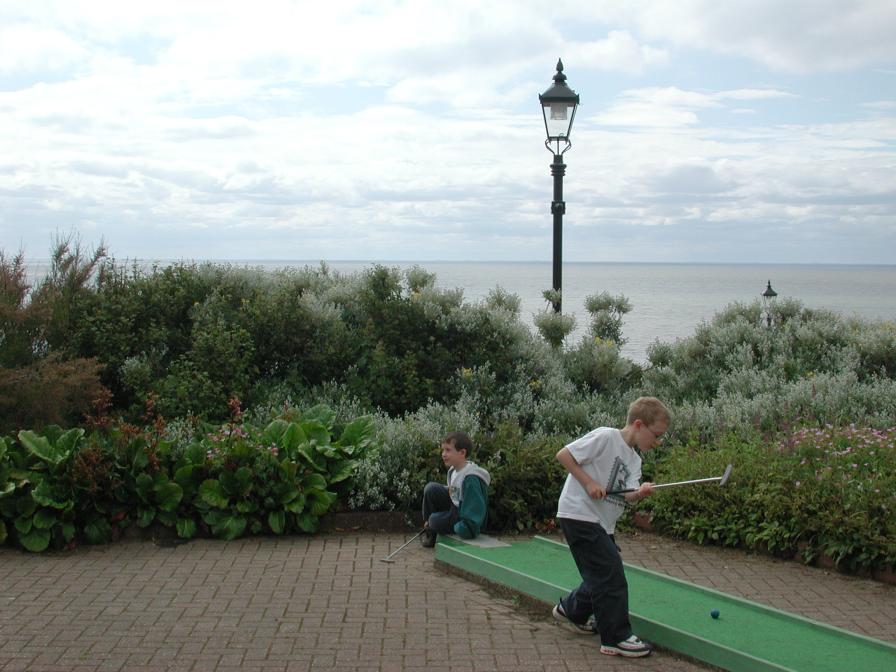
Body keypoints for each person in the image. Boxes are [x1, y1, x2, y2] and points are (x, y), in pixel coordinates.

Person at [552, 396, 671, 658]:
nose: (658, 441)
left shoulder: (634, 461)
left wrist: (640, 493)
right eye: (656, 435)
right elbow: (565, 455)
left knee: (601, 572)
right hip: (579, 514)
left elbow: (626, 495)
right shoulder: (606, 437)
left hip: (602, 523)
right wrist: (589, 483)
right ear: (639, 425)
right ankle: (615, 637)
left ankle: (572, 610)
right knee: (611, 573)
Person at [420, 431, 490, 548]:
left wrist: (465, 528)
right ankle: (430, 531)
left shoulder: (470, 478)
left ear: (462, 453)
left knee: (434, 520)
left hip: (463, 516)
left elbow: (475, 506)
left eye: (448, 450)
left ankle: (432, 525)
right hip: (454, 506)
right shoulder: (453, 470)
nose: (443, 454)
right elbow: (454, 492)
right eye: (443, 450)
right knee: (431, 488)